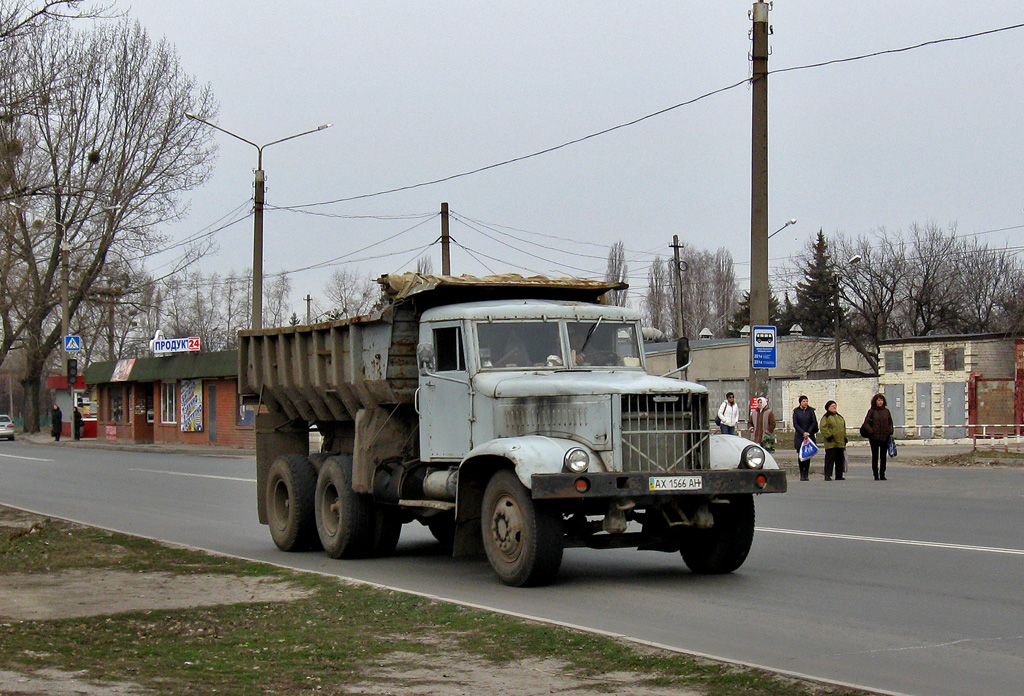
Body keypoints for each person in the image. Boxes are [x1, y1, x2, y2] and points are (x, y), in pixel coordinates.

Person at [861, 393, 894, 480]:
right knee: (875, 456)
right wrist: (871, 431)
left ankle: (882, 474)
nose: (880, 402)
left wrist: (890, 431)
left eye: (881, 400)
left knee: (883, 457)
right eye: (878, 400)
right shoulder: (871, 411)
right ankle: (875, 474)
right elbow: (866, 423)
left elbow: (890, 422)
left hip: (884, 437)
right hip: (874, 438)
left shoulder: (886, 411)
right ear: (875, 401)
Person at [792, 395, 819, 481]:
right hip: (800, 436)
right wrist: (803, 432)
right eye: (804, 401)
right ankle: (801, 473)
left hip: (809, 436)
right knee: (801, 455)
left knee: (808, 455)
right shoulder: (796, 412)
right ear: (800, 402)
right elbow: (795, 424)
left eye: (806, 401)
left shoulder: (811, 411)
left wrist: (808, 432)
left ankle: (806, 473)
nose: (805, 403)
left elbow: (814, 422)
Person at [819, 400, 847, 481]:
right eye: (832, 406)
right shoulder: (826, 417)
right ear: (828, 408)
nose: (834, 407)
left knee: (840, 460)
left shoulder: (839, 417)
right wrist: (828, 436)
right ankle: (827, 475)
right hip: (831, 443)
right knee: (829, 460)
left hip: (840, 442)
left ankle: (839, 475)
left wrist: (845, 437)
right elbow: (823, 427)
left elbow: (843, 428)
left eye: (835, 406)